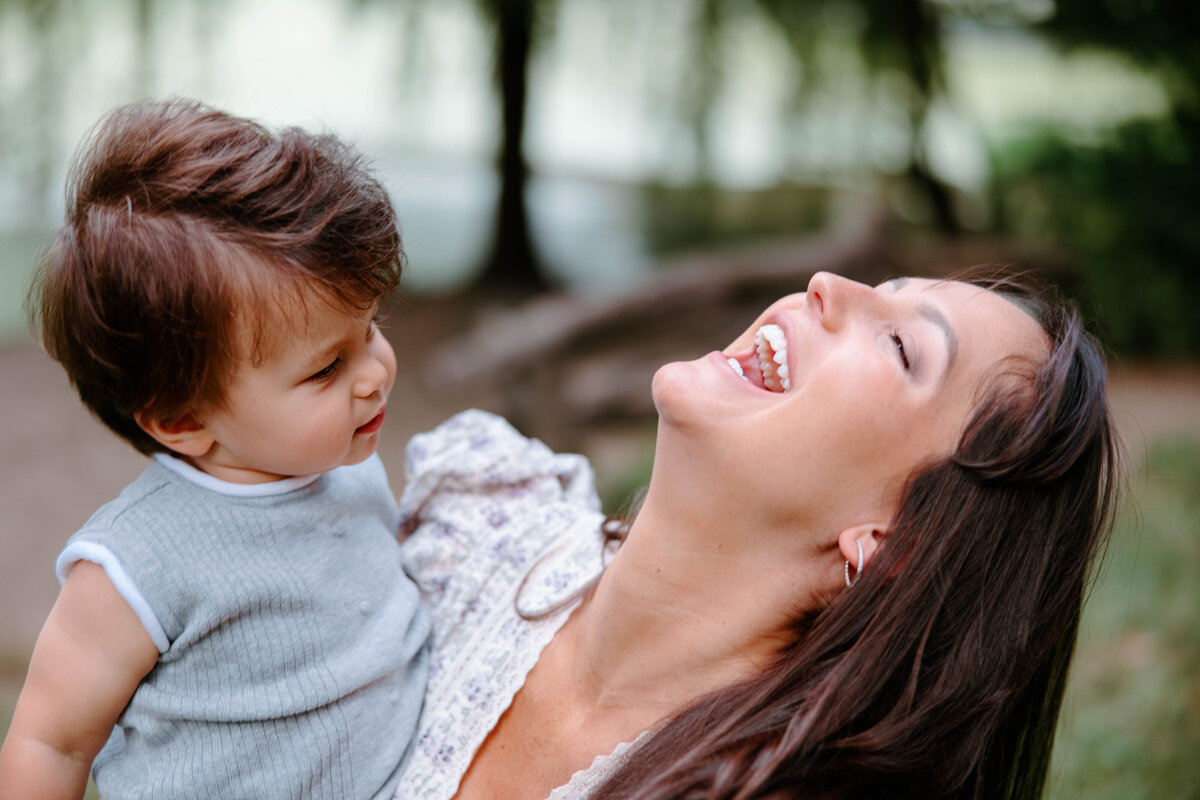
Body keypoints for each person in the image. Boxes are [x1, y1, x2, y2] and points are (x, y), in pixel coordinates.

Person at [393, 271, 1116, 799]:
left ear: (896, 544)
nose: (828, 284)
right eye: (884, 282)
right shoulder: (462, 527)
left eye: (901, 346)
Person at [0, 100, 431, 799]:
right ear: (180, 421)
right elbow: (50, 740)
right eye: (326, 369)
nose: (377, 373)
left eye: (371, 329)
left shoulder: (350, 473)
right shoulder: (135, 566)